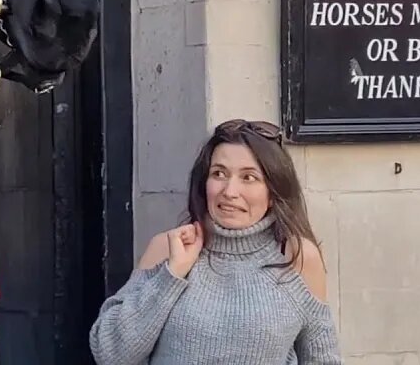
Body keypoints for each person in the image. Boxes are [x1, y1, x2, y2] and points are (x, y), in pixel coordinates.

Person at [89, 119, 342, 365]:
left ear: (273, 193)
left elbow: (322, 359)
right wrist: (171, 274)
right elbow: (111, 354)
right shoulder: (168, 248)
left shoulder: (296, 256)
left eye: (249, 177)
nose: (229, 192)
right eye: (219, 174)